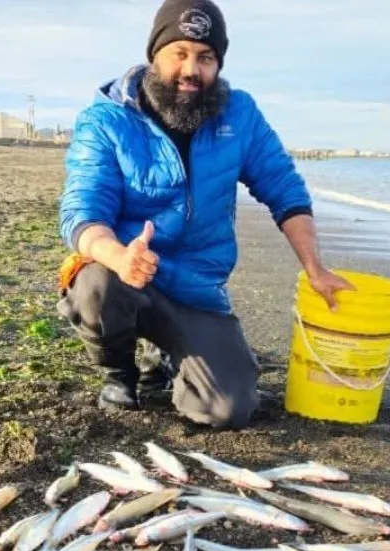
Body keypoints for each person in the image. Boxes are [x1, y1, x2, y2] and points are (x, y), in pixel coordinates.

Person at [56, 0, 352, 429]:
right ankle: (119, 375)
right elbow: (81, 211)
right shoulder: (105, 120)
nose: (191, 70)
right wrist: (119, 255)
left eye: (205, 57)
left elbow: (284, 189)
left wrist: (315, 268)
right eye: (179, 53)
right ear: (153, 56)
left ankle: (169, 357)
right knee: (95, 284)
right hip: (127, 274)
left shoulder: (240, 113)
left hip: (196, 288)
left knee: (227, 409)